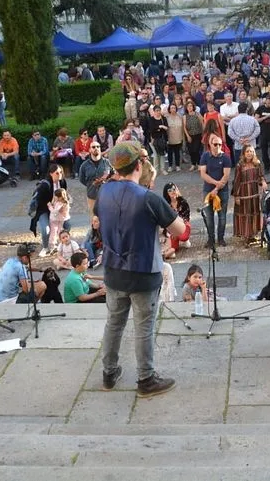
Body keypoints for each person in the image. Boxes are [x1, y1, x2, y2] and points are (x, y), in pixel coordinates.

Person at [96, 141, 186, 397]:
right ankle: (146, 380)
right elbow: (180, 229)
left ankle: (109, 373)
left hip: (113, 269)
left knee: (114, 323)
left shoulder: (104, 192)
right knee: (143, 326)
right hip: (144, 271)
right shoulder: (148, 198)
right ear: (139, 165)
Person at [200, 134, 232, 248]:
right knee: (209, 216)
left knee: (222, 216)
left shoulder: (226, 158)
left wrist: (217, 188)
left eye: (220, 144)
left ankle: (221, 238)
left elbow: (226, 175)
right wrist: (215, 183)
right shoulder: (205, 156)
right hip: (207, 190)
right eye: (215, 144)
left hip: (222, 191)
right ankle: (211, 239)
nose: (218, 146)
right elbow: (203, 173)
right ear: (210, 145)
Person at [232, 145, 267, 242]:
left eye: (251, 151)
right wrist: (237, 195)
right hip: (243, 193)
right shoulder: (240, 165)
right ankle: (246, 235)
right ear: (243, 153)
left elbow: (261, 176)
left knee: (254, 212)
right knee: (245, 213)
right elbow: (236, 181)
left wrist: (263, 182)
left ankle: (253, 234)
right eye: (247, 151)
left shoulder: (257, 164)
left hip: (254, 193)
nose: (249, 153)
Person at [33, 164, 70, 257]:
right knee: (46, 229)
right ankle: (45, 247)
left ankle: (60, 245)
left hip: (58, 209)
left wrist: (63, 205)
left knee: (67, 225)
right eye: (57, 173)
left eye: (61, 172)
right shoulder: (45, 185)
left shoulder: (62, 182)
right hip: (44, 209)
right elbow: (39, 200)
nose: (60, 175)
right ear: (51, 174)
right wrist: (51, 205)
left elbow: (65, 195)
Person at [78, 140, 113, 214]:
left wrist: (107, 182)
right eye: (93, 147)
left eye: (98, 146)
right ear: (90, 150)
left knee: (106, 216)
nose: (96, 148)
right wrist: (91, 184)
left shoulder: (107, 162)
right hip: (92, 195)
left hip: (106, 195)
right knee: (94, 219)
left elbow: (114, 175)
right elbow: (81, 179)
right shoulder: (84, 165)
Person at [162, 183, 191, 257]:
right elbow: (164, 220)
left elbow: (187, 217)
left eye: (174, 189)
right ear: (167, 193)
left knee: (183, 237)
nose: (173, 191)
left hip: (183, 225)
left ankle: (183, 240)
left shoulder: (183, 202)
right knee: (173, 252)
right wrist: (170, 231)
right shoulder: (166, 205)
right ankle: (172, 246)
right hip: (171, 228)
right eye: (170, 190)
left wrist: (177, 226)